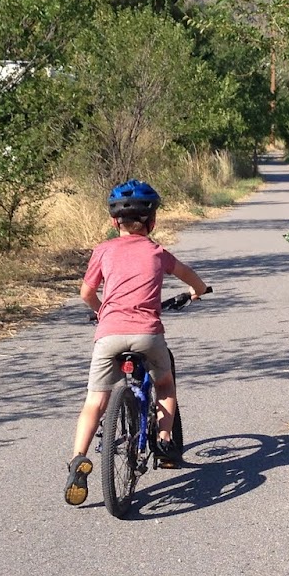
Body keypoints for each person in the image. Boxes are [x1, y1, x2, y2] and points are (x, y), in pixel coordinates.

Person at [66, 179, 208, 505]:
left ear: (115, 221)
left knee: (94, 402)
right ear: (152, 221)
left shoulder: (103, 250)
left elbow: (87, 293)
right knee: (166, 384)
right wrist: (197, 292)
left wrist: (102, 312)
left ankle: (78, 458)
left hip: (109, 335)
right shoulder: (157, 252)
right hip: (148, 334)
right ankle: (163, 438)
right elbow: (191, 278)